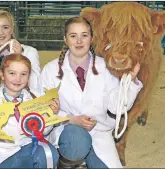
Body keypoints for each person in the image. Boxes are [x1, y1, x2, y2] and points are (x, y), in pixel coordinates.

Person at [40, 16, 143, 168]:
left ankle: (85, 159)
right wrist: (72, 120)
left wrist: (130, 81)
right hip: (67, 133)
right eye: (73, 36)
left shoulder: (106, 67)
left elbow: (116, 107)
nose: (79, 41)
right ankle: (67, 162)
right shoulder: (50, 70)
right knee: (77, 138)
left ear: (92, 39)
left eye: (84, 35)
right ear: (65, 39)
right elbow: (44, 109)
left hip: (99, 132)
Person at [0, 54, 59, 168]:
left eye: (23, 74)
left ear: (29, 77)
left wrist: (51, 114)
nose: (18, 79)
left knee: (48, 153)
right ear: (2, 75)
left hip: (29, 149)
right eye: (12, 73)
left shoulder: (38, 99)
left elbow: (44, 132)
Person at [0, 10, 41, 101]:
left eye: (5, 27)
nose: (0, 33)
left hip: (25, 107)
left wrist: (19, 58)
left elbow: (36, 86)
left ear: (12, 30)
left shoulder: (30, 52)